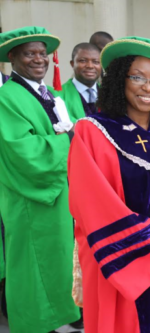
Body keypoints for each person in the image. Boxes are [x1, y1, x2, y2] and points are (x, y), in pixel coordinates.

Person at [68, 36, 150, 333]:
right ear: (119, 79)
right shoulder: (92, 131)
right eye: (138, 77)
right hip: (116, 262)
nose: (148, 87)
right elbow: (94, 208)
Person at [0, 26, 80, 333]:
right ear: (12, 57)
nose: (39, 59)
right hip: (30, 198)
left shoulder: (46, 93)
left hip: (58, 195)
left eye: (42, 53)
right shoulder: (7, 97)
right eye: (29, 53)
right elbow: (23, 151)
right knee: (32, 269)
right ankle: (32, 326)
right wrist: (69, 140)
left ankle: (49, 324)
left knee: (56, 264)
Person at [60, 43, 101, 120]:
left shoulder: (110, 93)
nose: (90, 66)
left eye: (95, 62)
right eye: (83, 61)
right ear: (72, 64)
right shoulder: (59, 95)